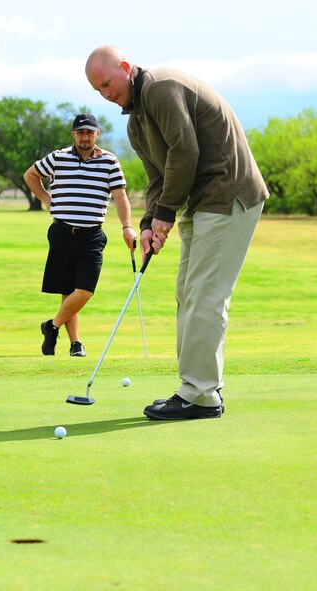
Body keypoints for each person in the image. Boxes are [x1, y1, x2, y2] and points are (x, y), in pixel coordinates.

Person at [86, 46, 269, 420]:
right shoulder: (136, 123)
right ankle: (198, 388)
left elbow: (185, 150)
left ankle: (201, 395)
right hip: (202, 201)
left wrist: (166, 214)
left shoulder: (160, 87)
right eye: (97, 90)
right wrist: (149, 223)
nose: (106, 94)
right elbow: (158, 176)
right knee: (188, 293)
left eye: (107, 83)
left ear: (125, 67)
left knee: (205, 295)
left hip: (228, 192)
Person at [24, 113, 137, 357]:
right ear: (74, 134)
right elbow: (30, 175)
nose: (84, 137)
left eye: (89, 132)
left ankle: (51, 327)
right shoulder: (59, 157)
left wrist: (127, 226)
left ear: (97, 134)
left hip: (92, 236)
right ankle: (75, 343)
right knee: (68, 289)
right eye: (80, 133)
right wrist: (44, 197)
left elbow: (120, 196)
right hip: (62, 232)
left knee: (85, 290)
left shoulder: (109, 161)